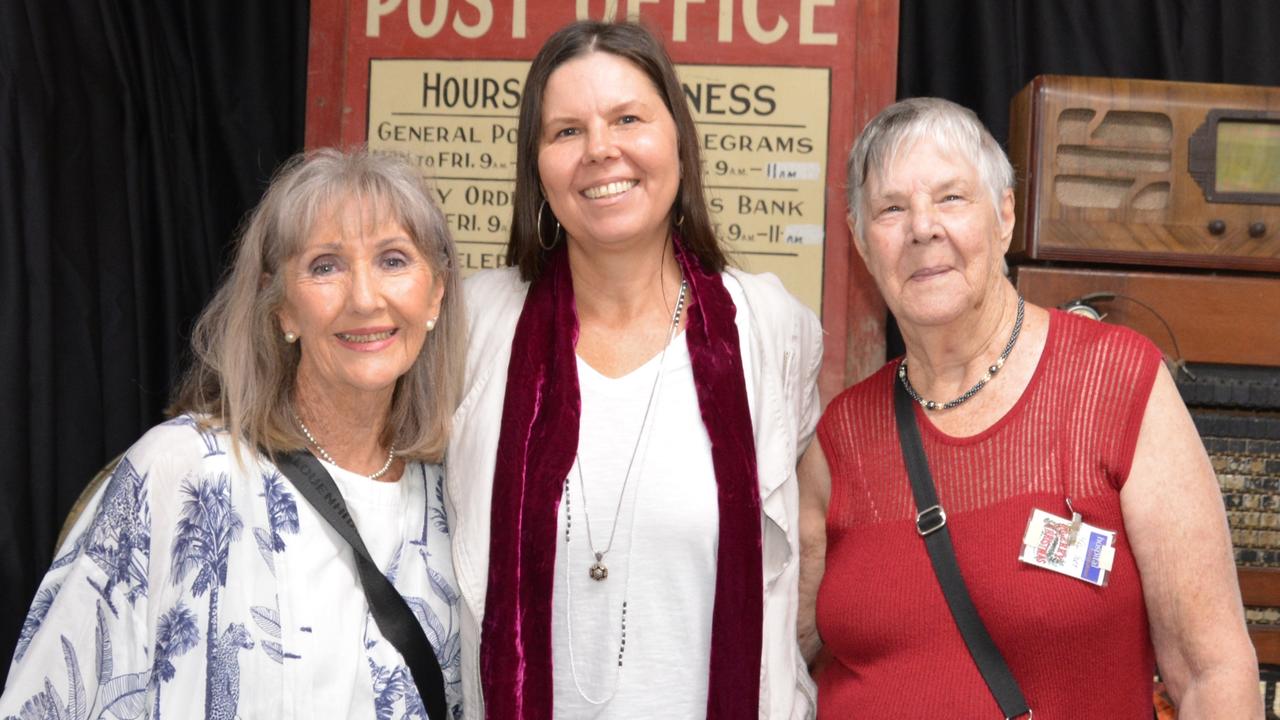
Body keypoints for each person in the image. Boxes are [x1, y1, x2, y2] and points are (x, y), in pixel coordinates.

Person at [797, 97, 1261, 718]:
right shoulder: (839, 441)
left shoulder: (1116, 384)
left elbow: (1214, 674)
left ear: (1005, 216)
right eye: (890, 208)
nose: (923, 227)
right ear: (859, 240)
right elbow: (778, 651)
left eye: (952, 198)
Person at [0, 148, 467, 719]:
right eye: (326, 266)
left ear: (436, 293)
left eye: (394, 260)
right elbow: (41, 703)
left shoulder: (454, 499)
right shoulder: (185, 472)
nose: (365, 298)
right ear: (282, 309)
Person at [446, 20, 823, 720]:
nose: (600, 150)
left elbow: (815, 550)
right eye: (565, 132)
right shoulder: (473, 329)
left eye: (628, 118)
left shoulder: (772, 329)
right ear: (536, 168)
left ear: (677, 139)